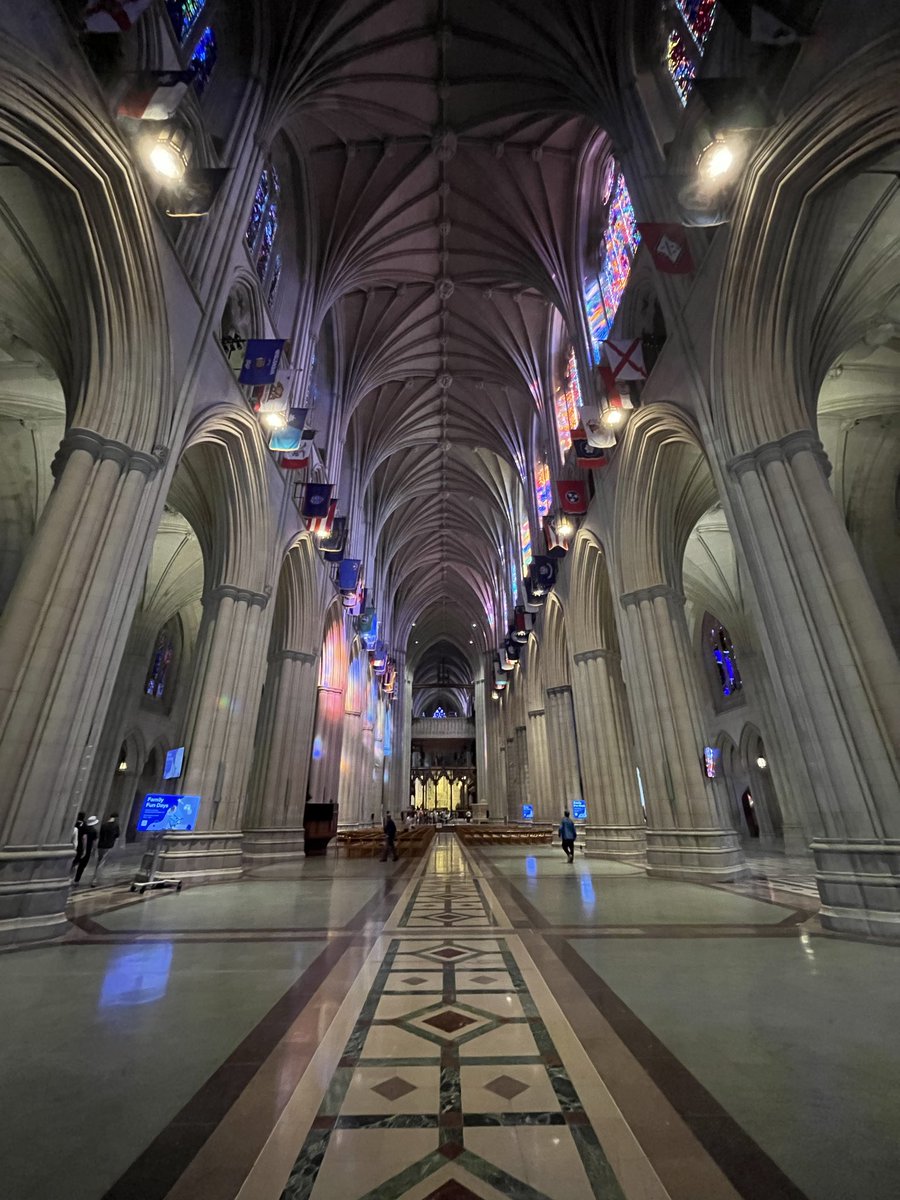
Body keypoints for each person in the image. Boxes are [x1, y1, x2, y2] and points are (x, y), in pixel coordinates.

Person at [91, 812, 121, 887]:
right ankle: (95, 879)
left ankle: (96, 877)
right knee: (101, 862)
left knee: (99, 861)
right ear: (116, 818)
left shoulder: (104, 825)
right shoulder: (115, 825)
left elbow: (100, 834)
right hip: (108, 845)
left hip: (101, 845)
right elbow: (117, 835)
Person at [73, 815, 99, 885]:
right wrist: (94, 851)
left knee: (75, 863)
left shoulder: (83, 828)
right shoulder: (94, 831)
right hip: (87, 850)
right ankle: (76, 880)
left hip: (79, 848)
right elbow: (94, 842)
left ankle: (71, 877)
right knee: (82, 866)